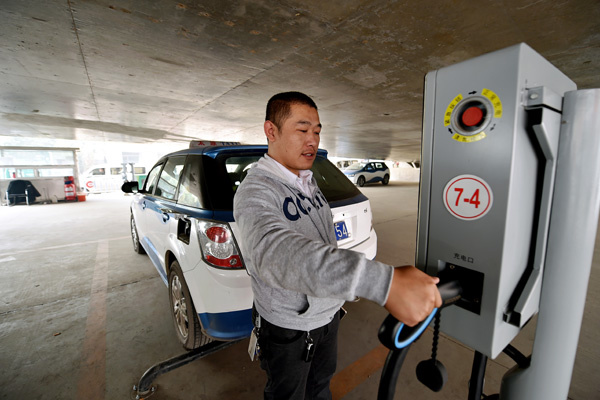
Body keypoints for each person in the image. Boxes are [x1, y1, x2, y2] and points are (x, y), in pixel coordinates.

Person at [233, 91, 441, 400]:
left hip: (328, 316)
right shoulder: (255, 192)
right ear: (271, 131)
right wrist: (382, 283)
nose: (312, 140)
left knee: (321, 387)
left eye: (317, 131)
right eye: (302, 130)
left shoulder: (309, 179)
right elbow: (273, 253)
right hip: (290, 327)